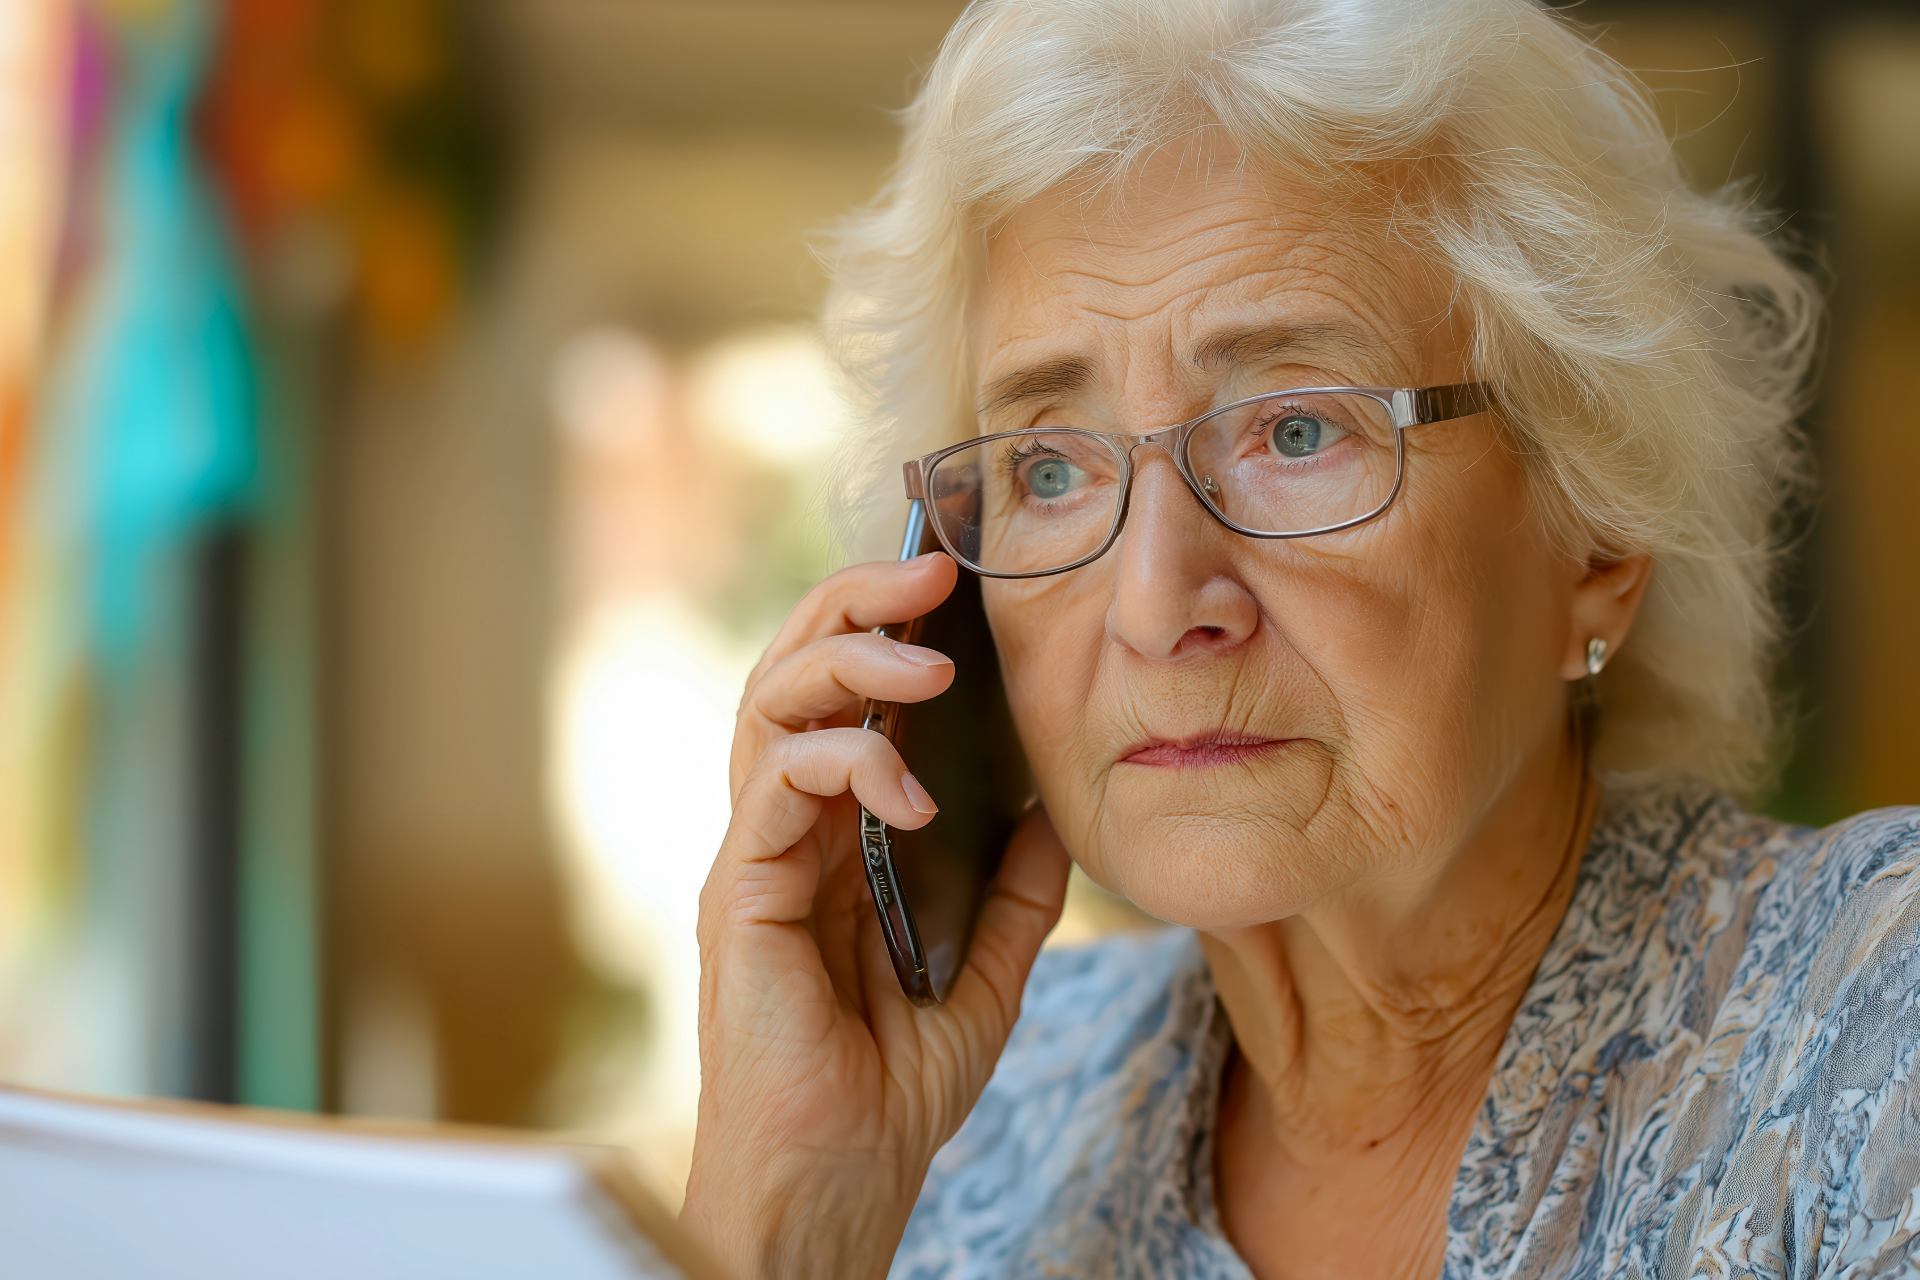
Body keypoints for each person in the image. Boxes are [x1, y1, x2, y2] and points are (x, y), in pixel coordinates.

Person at [680, 1, 1920, 1276]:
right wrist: (789, 1217)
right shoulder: (981, 1108)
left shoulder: (1872, 1029)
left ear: (1596, 539)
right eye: (1050, 467)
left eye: (1297, 429)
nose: (1157, 607)